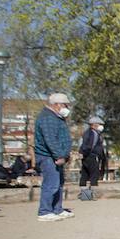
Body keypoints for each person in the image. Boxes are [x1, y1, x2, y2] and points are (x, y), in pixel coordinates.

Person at [34, 93, 74, 222]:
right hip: (48, 156)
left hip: (54, 156)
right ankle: (44, 211)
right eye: (65, 105)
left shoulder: (56, 118)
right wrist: (59, 155)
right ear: (56, 104)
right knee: (51, 184)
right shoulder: (47, 118)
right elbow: (50, 139)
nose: (67, 108)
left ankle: (57, 209)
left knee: (58, 184)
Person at [78, 116, 107, 201]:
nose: (101, 126)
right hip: (91, 156)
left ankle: (85, 196)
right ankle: (93, 195)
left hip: (86, 156)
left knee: (84, 174)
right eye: (100, 124)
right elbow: (89, 146)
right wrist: (85, 153)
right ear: (94, 125)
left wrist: (82, 153)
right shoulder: (93, 134)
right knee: (94, 175)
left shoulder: (87, 133)